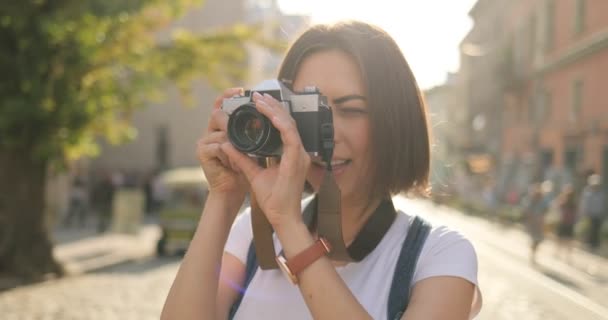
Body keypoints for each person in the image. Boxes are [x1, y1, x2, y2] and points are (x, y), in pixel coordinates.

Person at [161, 21, 481, 319]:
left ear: (396, 121)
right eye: (308, 112)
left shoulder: (439, 254)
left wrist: (290, 227)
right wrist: (224, 197)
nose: (328, 134)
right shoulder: (252, 236)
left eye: (351, 110)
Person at [521, 183, 549, 265]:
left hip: (540, 223)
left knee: (538, 239)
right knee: (535, 238)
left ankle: (533, 252)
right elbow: (526, 209)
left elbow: (546, 210)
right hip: (533, 222)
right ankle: (533, 253)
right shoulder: (532, 199)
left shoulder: (544, 201)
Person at [578, 174, 606, 250]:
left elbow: (602, 204)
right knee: (589, 229)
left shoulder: (601, 193)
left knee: (596, 229)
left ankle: (595, 244)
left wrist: (602, 213)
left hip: (598, 214)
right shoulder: (587, 192)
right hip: (589, 214)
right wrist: (584, 213)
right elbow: (584, 204)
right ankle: (588, 243)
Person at [554, 185, 577, 261]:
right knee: (566, 239)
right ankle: (563, 253)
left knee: (565, 238)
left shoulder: (570, 202)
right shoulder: (566, 201)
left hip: (566, 221)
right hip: (567, 221)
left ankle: (561, 253)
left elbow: (557, 207)